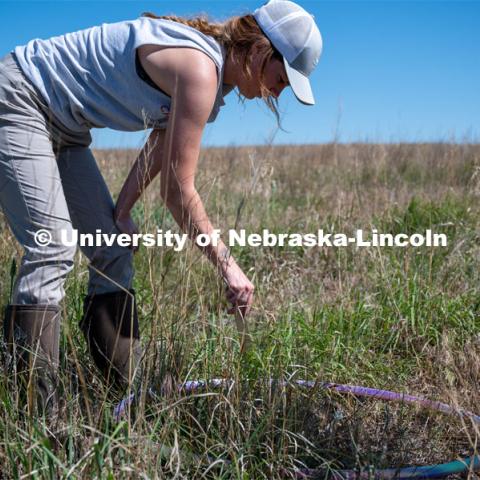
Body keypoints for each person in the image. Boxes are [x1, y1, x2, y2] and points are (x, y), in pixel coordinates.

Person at [0, 0, 322, 416]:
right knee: (52, 248)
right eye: (282, 78)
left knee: (112, 248)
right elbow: (178, 190)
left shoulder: (213, 82)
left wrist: (121, 213)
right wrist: (227, 265)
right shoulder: (200, 68)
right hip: (21, 97)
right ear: (262, 50)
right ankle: (35, 414)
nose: (278, 92)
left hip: (66, 129)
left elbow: (160, 150)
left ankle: (125, 396)